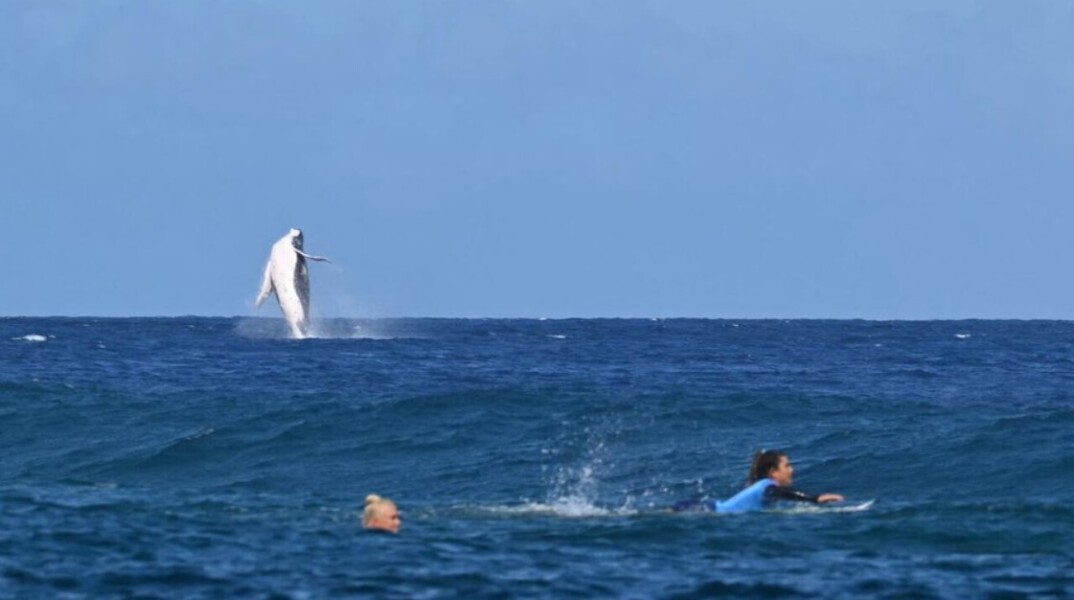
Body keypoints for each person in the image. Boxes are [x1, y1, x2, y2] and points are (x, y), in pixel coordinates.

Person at [671, 449, 844, 513]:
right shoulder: (769, 486)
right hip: (702, 510)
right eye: (787, 466)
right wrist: (814, 499)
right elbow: (780, 493)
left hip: (706, 506)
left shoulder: (760, 485)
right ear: (773, 472)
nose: (792, 470)